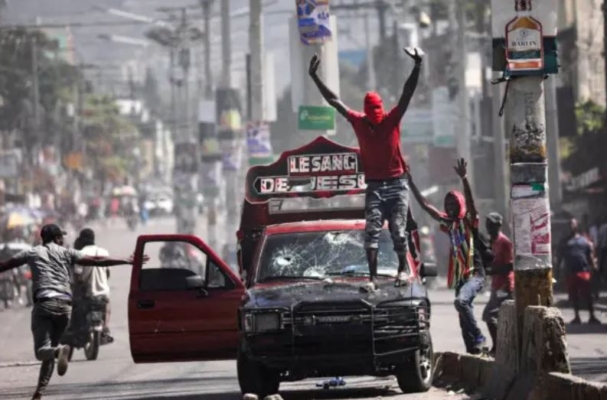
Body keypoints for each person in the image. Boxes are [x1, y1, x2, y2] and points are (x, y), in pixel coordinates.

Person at [308, 47, 423, 292]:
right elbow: (334, 101)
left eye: (377, 116)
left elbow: (407, 93)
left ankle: (402, 269)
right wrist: (315, 77)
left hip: (397, 184)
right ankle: (372, 279)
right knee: (371, 232)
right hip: (374, 185)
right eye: (372, 117)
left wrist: (417, 65)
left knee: (398, 232)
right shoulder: (359, 121)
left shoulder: (392, 119)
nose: (375, 120)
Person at [0, 224, 146, 400]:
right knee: (51, 349)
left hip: (44, 305)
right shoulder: (67, 252)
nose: (63, 239)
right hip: (64, 306)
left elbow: (5, 265)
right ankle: (39, 392)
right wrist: (127, 260)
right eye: (61, 237)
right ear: (57, 238)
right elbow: (97, 260)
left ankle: (58, 351)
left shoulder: (32, 253)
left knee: (42, 351)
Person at [408, 158, 487, 354]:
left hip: (475, 274)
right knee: (462, 314)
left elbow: (470, 202)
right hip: (461, 278)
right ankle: (473, 350)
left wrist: (465, 179)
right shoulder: (449, 223)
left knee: (460, 302)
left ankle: (479, 335)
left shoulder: (469, 221)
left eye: (454, 203)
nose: (450, 206)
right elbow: (427, 206)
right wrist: (410, 183)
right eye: (448, 203)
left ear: (460, 204)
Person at [481, 212, 514, 356]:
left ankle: (498, 346)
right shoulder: (491, 242)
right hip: (496, 285)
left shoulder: (505, 243)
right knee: (497, 317)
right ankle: (502, 347)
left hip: (505, 285)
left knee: (489, 315)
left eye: (492, 224)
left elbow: (510, 266)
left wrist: (491, 271)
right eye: (488, 223)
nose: (489, 227)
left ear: (499, 225)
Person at [557, 218, 601, 325]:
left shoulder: (584, 240)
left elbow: (590, 255)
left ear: (577, 226)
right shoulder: (564, 242)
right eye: (569, 225)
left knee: (588, 295)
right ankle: (577, 317)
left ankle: (592, 316)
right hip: (570, 272)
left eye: (573, 224)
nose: (571, 226)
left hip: (584, 271)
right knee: (573, 295)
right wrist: (558, 270)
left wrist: (594, 267)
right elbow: (559, 257)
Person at [72, 228, 113, 341]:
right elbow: (108, 273)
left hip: (87, 293)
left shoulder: (80, 254)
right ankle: (106, 328)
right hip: (103, 293)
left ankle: (78, 330)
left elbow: (77, 276)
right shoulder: (104, 252)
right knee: (107, 306)